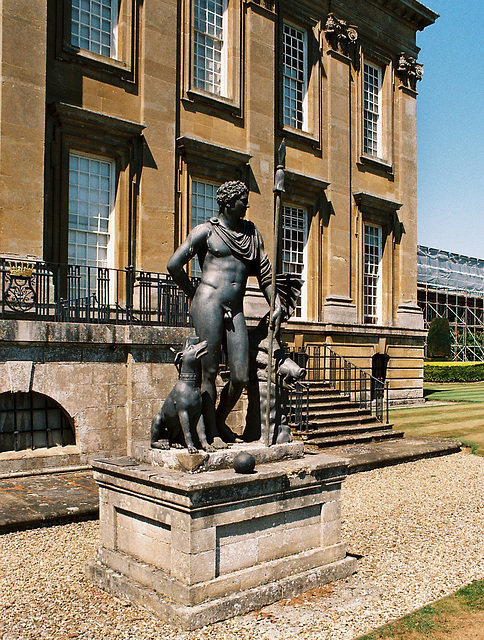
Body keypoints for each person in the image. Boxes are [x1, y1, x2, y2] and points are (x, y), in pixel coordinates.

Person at [167, 180, 282, 447]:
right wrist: (193, 293)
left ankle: (219, 420)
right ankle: (210, 432)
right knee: (208, 372)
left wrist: (273, 304)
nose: (248, 204)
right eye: (243, 199)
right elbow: (174, 264)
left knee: (240, 375)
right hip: (208, 303)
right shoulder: (205, 231)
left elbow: (265, 272)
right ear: (229, 202)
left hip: (235, 308)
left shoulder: (252, 233)